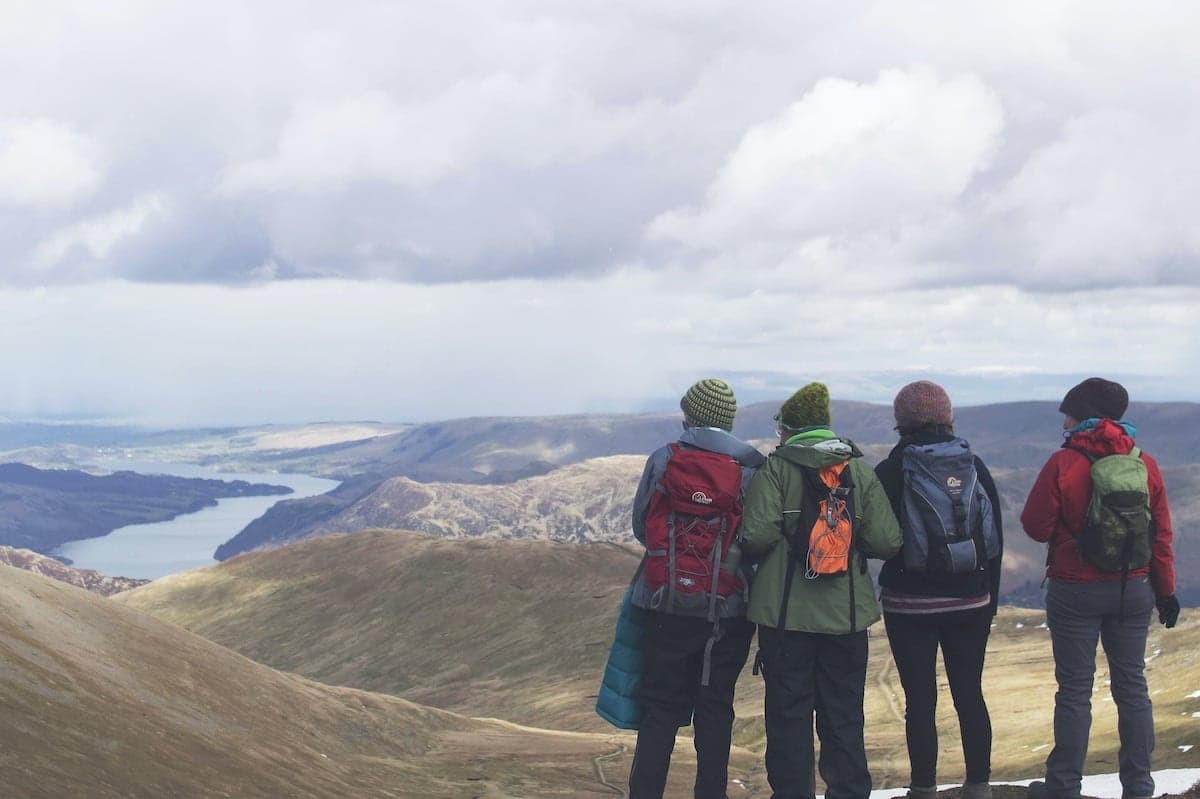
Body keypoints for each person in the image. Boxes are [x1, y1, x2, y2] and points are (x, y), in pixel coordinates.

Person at [740, 382, 902, 799]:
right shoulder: (859, 472)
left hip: (784, 619)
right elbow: (887, 541)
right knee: (843, 715)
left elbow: (755, 536)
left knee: (788, 717)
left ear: (789, 431)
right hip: (846, 619)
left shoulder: (776, 470)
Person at [1021, 377, 1179, 799]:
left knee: (1075, 690)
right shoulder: (1145, 463)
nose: (1064, 421)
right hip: (1134, 587)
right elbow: (1160, 533)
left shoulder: (1064, 462)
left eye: (1068, 414)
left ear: (1083, 414)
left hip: (1075, 589)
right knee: (1132, 686)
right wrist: (1165, 592)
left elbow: (1035, 527)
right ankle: (1139, 787)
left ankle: (1064, 788)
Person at [627, 377, 766, 799]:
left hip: (665, 606)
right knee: (714, 709)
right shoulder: (752, 467)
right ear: (728, 420)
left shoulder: (663, 458)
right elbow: (758, 539)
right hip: (726, 611)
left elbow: (641, 527)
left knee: (660, 712)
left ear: (688, 416)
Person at [874, 381, 1003, 799]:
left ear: (901, 422)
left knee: (919, 698)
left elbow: (877, 540)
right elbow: (993, 540)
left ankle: (924, 788)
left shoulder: (891, 472)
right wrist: (989, 601)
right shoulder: (974, 466)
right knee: (970, 693)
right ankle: (979, 785)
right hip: (971, 601)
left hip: (909, 606)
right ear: (948, 417)